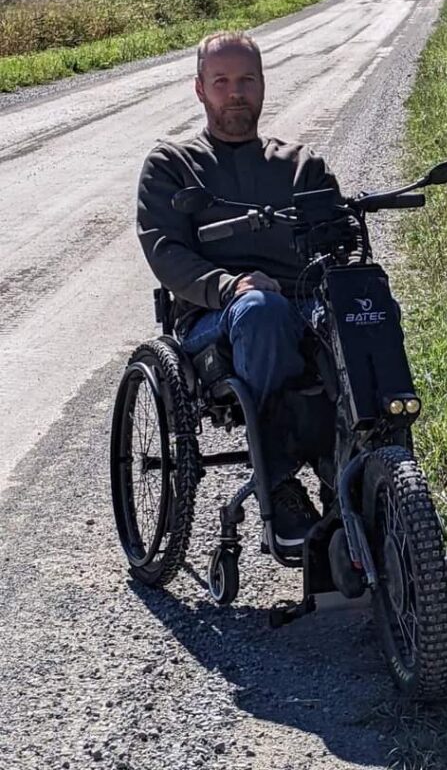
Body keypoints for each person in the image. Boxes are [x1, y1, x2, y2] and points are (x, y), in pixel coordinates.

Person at [137, 30, 337, 555]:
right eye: (222, 81)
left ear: (264, 84)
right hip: (215, 318)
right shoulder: (172, 165)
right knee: (261, 310)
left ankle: (363, 471)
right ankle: (277, 481)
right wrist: (230, 285)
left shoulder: (301, 165)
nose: (236, 93)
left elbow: (339, 243)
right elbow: (164, 252)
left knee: (364, 309)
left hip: (302, 305)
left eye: (246, 79)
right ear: (200, 89)